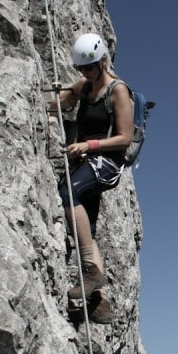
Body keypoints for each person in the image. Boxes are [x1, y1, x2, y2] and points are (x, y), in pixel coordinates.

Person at [49, 33, 133, 318]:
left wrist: (89, 145)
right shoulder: (84, 87)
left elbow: (124, 138)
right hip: (86, 161)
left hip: (107, 162)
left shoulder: (118, 91)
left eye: (89, 67)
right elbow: (66, 99)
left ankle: (91, 270)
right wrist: (55, 99)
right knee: (87, 224)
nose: (85, 73)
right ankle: (99, 302)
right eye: (81, 69)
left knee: (69, 192)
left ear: (103, 61)